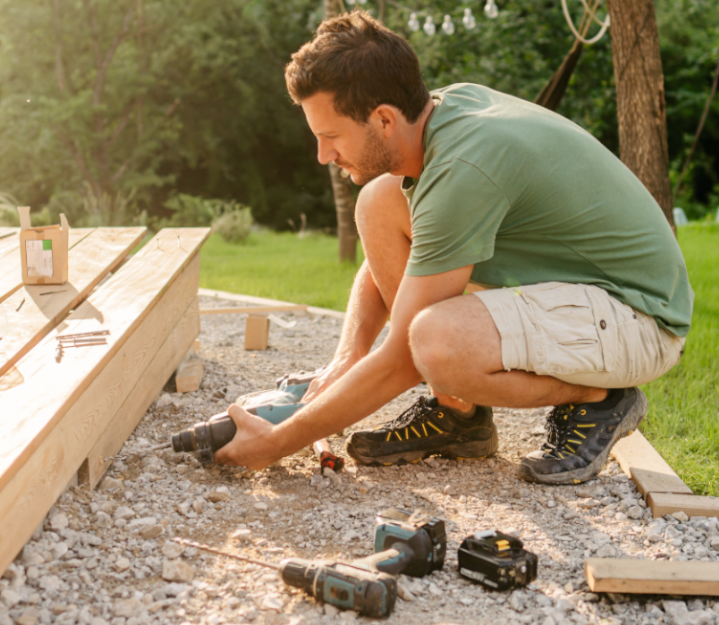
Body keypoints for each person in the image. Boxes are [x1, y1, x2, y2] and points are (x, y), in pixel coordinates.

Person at [213, 11, 693, 485]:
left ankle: (601, 397)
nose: (323, 156)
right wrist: (347, 358)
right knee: (379, 202)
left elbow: (403, 359)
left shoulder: (462, 169)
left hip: (640, 318)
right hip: (587, 298)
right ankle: (459, 417)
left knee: (435, 342)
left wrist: (279, 441)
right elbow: (399, 259)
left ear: (384, 119)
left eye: (331, 136)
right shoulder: (441, 117)